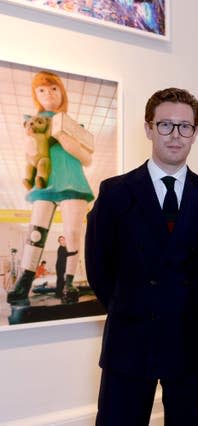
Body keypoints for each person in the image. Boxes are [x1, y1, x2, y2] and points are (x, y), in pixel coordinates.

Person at [84, 87, 198, 425]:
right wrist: (130, 306)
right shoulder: (115, 192)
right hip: (129, 337)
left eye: (185, 127)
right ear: (149, 128)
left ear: (195, 133)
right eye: (165, 125)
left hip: (188, 339)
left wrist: (177, 306)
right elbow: (98, 267)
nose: (175, 135)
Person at [7, 70, 94, 305]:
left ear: (62, 93)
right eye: (42, 89)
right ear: (35, 94)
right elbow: (30, 154)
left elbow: (87, 158)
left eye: (53, 88)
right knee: (35, 232)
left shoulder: (72, 125)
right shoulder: (34, 122)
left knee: (73, 232)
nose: (48, 93)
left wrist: (65, 137)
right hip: (44, 181)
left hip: (72, 179)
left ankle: (68, 282)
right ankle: (24, 281)